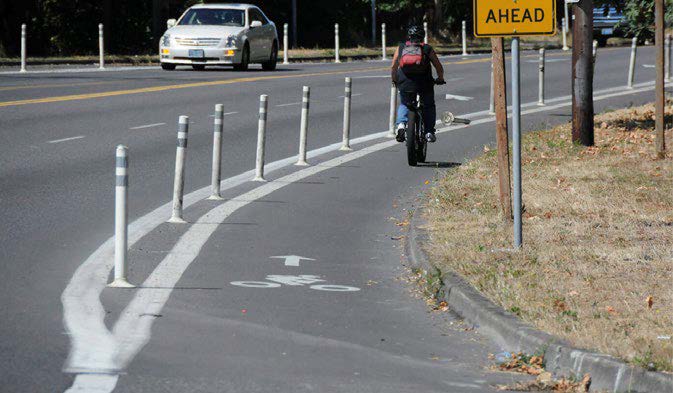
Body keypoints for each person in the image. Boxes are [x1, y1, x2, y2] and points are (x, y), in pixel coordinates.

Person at [391, 25, 445, 143]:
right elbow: (438, 66)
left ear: (409, 36)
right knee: (429, 105)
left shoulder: (401, 47)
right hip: (424, 84)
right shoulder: (427, 48)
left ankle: (400, 126)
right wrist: (440, 78)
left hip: (405, 83)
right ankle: (429, 132)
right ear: (423, 37)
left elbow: (394, 66)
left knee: (405, 104)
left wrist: (394, 79)